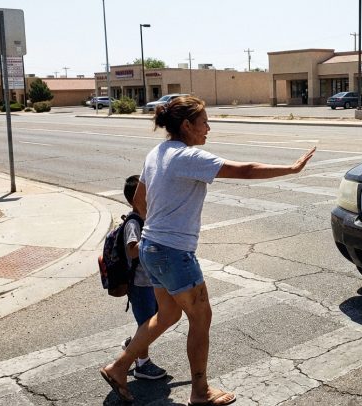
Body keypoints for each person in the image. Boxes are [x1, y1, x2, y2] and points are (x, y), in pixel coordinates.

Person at [100, 95, 315, 404]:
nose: (208, 129)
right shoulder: (187, 158)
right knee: (201, 317)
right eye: (203, 123)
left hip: (151, 247)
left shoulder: (156, 153)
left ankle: (119, 367)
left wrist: (162, 222)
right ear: (186, 125)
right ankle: (200, 392)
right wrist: (292, 168)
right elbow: (245, 170)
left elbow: (138, 203)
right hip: (173, 252)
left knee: (167, 315)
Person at [120, 175, 167, 380]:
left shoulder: (148, 218)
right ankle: (142, 365)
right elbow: (132, 250)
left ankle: (134, 344)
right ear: (135, 199)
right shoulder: (133, 222)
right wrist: (151, 239)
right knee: (146, 323)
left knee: (154, 318)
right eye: (146, 194)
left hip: (152, 280)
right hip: (139, 283)